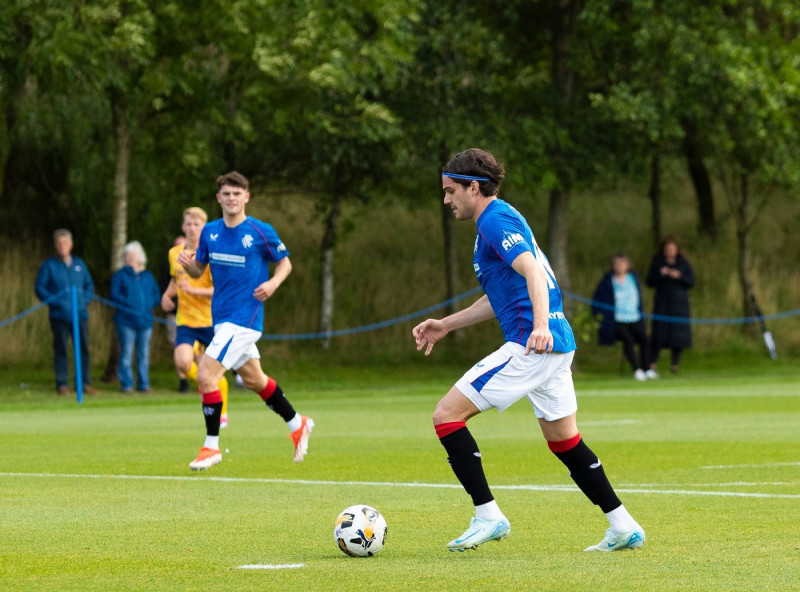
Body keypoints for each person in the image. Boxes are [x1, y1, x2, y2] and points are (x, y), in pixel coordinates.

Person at [412, 148, 645, 553]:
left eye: (451, 191)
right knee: (564, 441)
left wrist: (538, 326)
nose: (446, 200)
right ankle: (623, 526)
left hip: (531, 343)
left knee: (446, 417)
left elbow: (533, 271)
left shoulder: (495, 220)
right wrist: (446, 324)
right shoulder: (499, 218)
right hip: (555, 345)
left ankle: (488, 516)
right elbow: (499, 297)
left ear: (473, 187)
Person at [178, 171, 313, 470]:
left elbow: (285, 262)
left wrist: (274, 284)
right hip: (222, 318)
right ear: (218, 198)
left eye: (237, 194)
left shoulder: (260, 231)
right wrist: (189, 267)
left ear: (246, 197)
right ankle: (297, 422)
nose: (231, 199)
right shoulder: (210, 231)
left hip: (245, 319)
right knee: (254, 380)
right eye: (226, 194)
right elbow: (200, 270)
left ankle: (211, 447)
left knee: (205, 376)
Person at [161, 208, 230, 426]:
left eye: (197, 224)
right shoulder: (175, 253)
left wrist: (193, 291)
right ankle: (203, 386)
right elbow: (176, 278)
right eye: (189, 224)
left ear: (204, 227)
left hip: (210, 320)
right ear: (183, 226)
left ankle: (222, 413)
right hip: (186, 321)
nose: (192, 228)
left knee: (212, 371)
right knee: (182, 361)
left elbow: (219, 289)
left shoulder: (211, 254)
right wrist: (167, 293)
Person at [34, 229, 99, 395]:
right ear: (56, 246)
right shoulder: (49, 265)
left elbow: (89, 285)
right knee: (61, 348)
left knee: (83, 349)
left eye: (65, 243)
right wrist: (56, 302)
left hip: (80, 315)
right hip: (59, 316)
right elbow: (40, 288)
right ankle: (62, 384)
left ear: (71, 245)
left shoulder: (79, 264)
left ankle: (84, 383)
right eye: (59, 243)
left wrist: (83, 301)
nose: (63, 246)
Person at [591, 253, 655, 381]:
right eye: (617, 264)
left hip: (635, 317)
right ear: (612, 266)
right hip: (617, 320)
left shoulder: (633, 278)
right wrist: (599, 315)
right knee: (628, 340)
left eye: (622, 263)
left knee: (644, 339)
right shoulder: (607, 282)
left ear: (627, 265)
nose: (619, 266)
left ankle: (647, 368)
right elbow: (597, 300)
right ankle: (637, 370)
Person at [110, 241, 161, 393]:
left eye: (133, 255)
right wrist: (129, 304)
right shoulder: (120, 275)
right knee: (126, 353)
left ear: (140, 257)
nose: (129, 258)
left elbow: (156, 295)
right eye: (127, 255)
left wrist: (147, 305)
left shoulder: (148, 276)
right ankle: (127, 384)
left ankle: (144, 384)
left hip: (146, 322)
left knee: (143, 354)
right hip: (126, 321)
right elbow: (114, 295)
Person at [645, 236, 695, 374]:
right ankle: (652, 363)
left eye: (672, 249)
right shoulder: (658, 263)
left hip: (679, 306)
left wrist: (679, 276)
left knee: (678, 335)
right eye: (667, 249)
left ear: (677, 250)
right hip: (662, 304)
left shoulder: (683, 263)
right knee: (658, 334)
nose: (669, 251)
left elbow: (691, 282)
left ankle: (675, 365)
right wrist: (661, 274)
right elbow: (649, 281)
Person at [160, 235, 187, 391]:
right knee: (179, 348)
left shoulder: (200, 262)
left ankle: (202, 381)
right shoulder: (170, 268)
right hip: (175, 314)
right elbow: (168, 287)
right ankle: (183, 381)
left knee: (200, 350)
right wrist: (167, 297)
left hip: (198, 316)